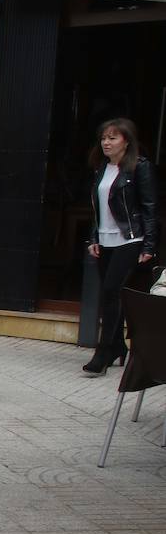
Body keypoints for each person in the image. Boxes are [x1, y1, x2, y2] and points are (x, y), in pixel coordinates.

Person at [85, 117, 158, 374]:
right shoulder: (101, 168)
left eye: (112, 138)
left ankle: (102, 352)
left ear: (126, 142)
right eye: (104, 138)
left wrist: (149, 244)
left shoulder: (140, 167)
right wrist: (94, 238)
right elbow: (97, 209)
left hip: (130, 239)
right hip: (104, 241)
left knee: (110, 291)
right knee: (109, 294)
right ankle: (118, 345)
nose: (106, 142)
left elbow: (149, 207)